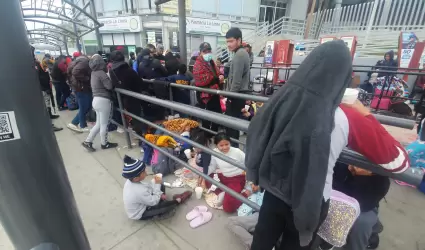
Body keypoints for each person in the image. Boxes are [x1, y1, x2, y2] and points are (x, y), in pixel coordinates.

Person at [246, 40, 409, 250]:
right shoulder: (346, 115)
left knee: (261, 242)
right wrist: (367, 114)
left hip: (273, 190)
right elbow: (399, 161)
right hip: (309, 202)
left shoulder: (282, 98)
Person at [122, 155, 192, 220]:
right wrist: (159, 194)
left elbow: (148, 187)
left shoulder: (131, 181)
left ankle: (161, 200)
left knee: (159, 181)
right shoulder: (138, 191)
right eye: (143, 172)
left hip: (145, 200)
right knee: (166, 207)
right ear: (136, 178)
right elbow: (153, 202)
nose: (146, 173)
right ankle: (178, 201)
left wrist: (159, 192)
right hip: (141, 212)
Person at [110, 50, 152, 136]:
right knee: (137, 117)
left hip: (121, 97)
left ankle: (137, 131)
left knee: (132, 116)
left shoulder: (112, 71)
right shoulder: (128, 70)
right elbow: (139, 82)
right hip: (133, 97)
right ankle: (141, 136)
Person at [81, 54, 118, 151]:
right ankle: (104, 144)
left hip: (96, 100)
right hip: (104, 100)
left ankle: (88, 141)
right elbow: (109, 86)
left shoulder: (93, 73)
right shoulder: (101, 73)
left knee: (98, 124)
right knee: (104, 124)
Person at [207, 133, 251, 213]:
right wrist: (203, 175)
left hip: (236, 179)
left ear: (230, 143)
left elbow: (248, 164)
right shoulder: (215, 152)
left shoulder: (237, 152)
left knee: (228, 208)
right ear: (216, 145)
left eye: (227, 144)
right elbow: (212, 167)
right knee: (206, 179)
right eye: (221, 145)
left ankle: (245, 194)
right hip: (223, 177)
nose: (224, 147)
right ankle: (223, 193)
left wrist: (251, 182)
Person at [224, 28, 251, 147]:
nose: (229, 44)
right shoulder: (240, 53)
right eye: (227, 42)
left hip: (237, 94)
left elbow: (237, 80)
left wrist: (230, 96)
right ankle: (233, 150)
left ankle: (233, 151)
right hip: (238, 94)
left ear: (239, 40)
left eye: (231, 41)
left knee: (231, 125)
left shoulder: (240, 54)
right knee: (232, 125)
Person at [193, 42, 224, 134]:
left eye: (209, 51)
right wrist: (215, 78)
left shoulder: (211, 62)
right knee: (206, 115)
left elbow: (217, 72)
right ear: (200, 53)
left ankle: (214, 133)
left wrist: (220, 76)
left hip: (214, 93)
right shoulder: (197, 64)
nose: (207, 53)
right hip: (204, 94)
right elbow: (200, 81)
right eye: (205, 52)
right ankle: (206, 135)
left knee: (216, 113)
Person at [31, 46, 63, 132]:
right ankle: (49, 124)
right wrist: (45, 87)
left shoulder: (35, 63)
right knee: (45, 103)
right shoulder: (34, 64)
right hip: (43, 88)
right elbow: (40, 77)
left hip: (44, 86)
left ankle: (50, 117)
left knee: (47, 103)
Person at [67, 54, 93, 133]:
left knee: (86, 106)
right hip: (82, 88)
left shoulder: (76, 62)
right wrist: (87, 78)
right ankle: (80, 125)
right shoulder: (84, 62)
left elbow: (70, 73)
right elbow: (75, 72)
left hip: (78, 87)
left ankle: (77, 123)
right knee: (84, 107)